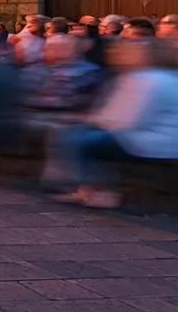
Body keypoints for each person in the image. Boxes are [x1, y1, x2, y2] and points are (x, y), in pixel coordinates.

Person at [53, 36, 178, 209]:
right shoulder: (143, 77)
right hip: (153, 135)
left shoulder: (147, 80)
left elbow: (127, 120)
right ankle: (88, 187)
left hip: (155, 140)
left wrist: (89, 120)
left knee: (82, 138)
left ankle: (102, 190)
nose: (115, 54)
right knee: (81, 132)